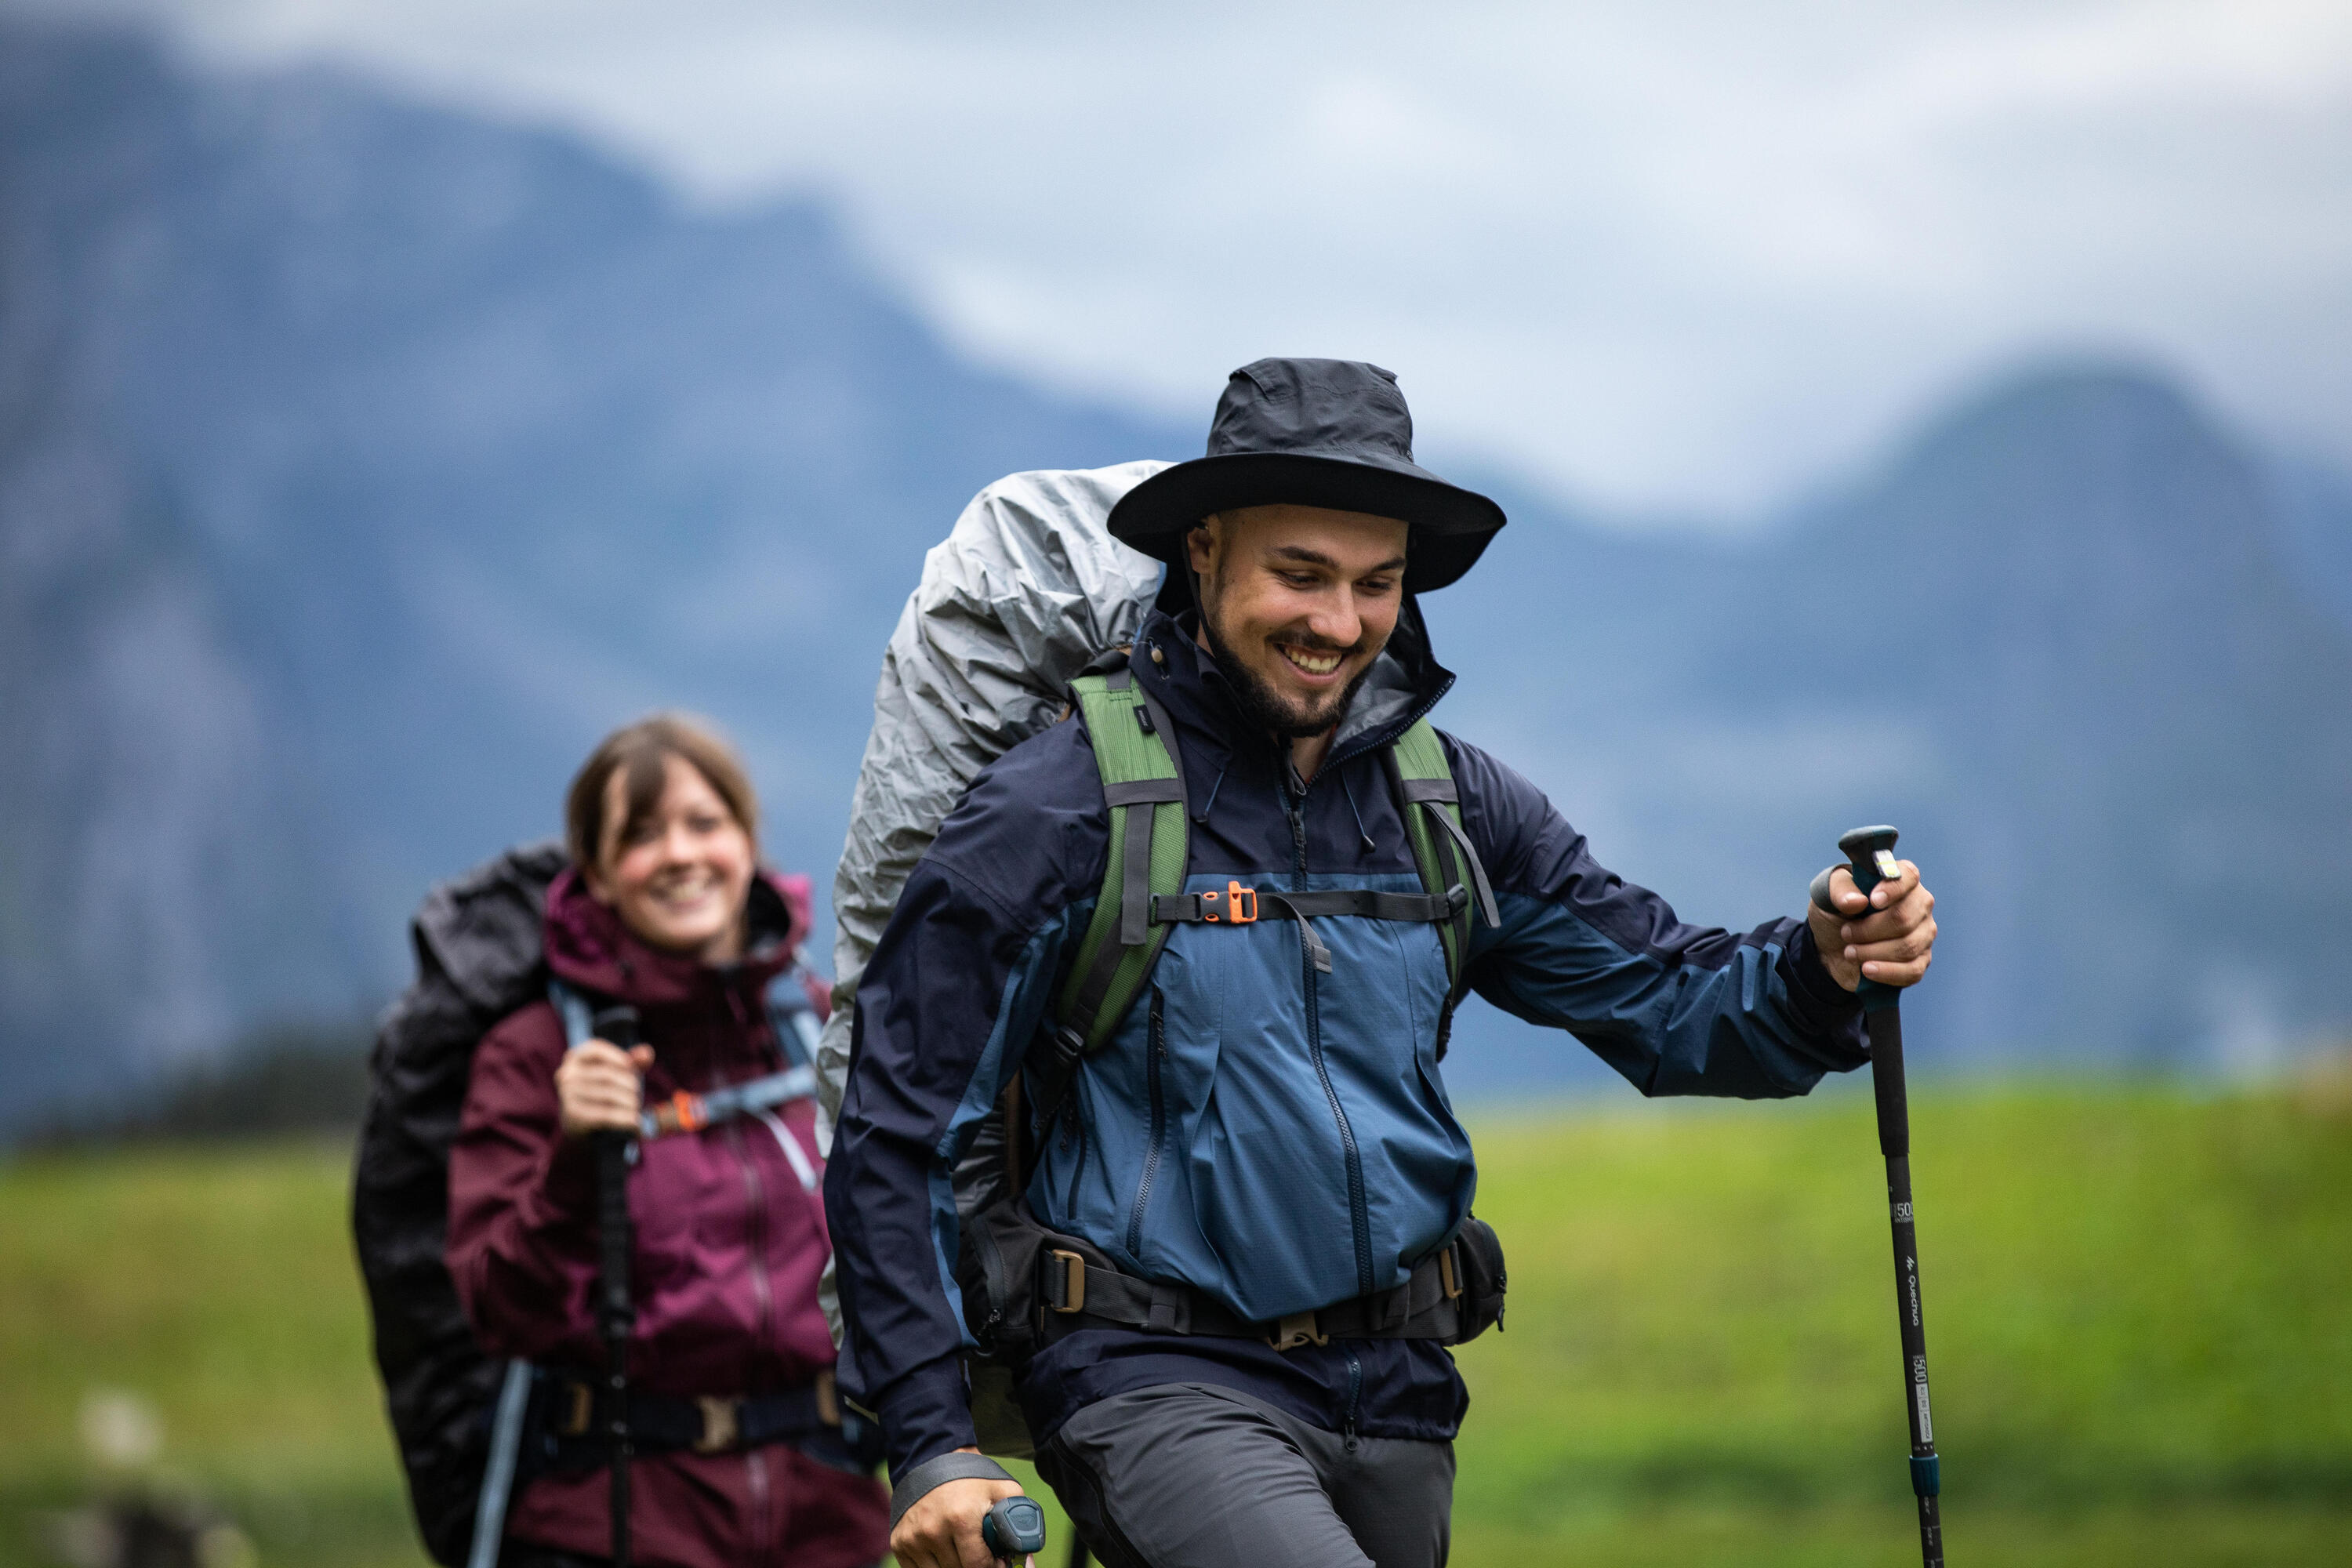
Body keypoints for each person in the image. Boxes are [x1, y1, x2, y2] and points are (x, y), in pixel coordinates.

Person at [826, 359, 1940, 1568]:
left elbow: (1667, 1000)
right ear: (1202, 552)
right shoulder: (1061, 811)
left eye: (1376, 583)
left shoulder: (1447, 802)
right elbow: (898, 1125)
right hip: (1153, 1385)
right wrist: (933, 1443)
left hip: (1400, 1399)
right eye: (1298, 573)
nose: (1338, 622)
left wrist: (1823, 964)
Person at [448, 714, 890, 1568]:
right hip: (614, 1521)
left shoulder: (825, 1027)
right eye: (641, 835)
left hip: (827, 1519)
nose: (681, 853)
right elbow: (498, 1307)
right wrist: (573, 1160)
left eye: (704, 822)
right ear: (600, 875)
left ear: (747, 841)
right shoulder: (536, 1055)